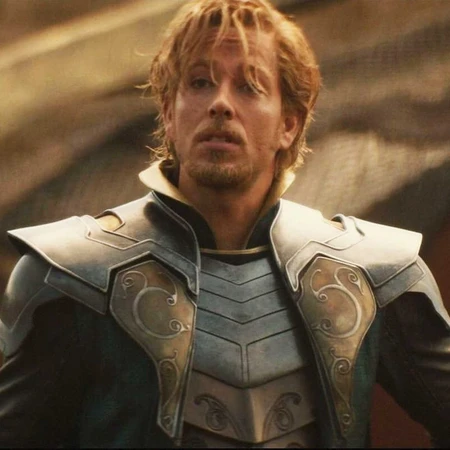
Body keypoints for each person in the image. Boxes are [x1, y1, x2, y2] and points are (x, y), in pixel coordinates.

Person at [0, 0, 449, 447]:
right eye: (200, 83)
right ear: (169, 114)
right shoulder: (71, 275)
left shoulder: (372, 273)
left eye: (249, 86)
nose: (220, 104)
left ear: (289, 124)